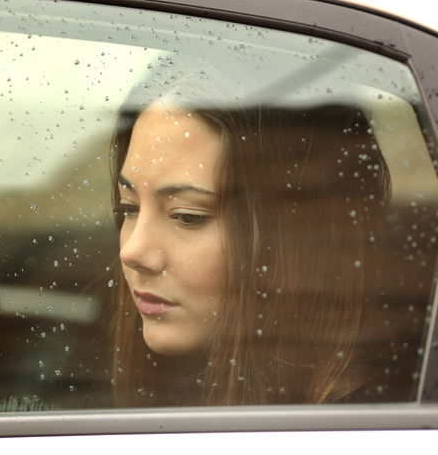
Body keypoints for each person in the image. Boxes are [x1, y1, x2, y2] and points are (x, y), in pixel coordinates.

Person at [107, 60, 397, 407]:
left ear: (296, 236)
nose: (132, 251)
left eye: (187, 216)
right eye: (128, 207)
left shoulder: (364, 426)